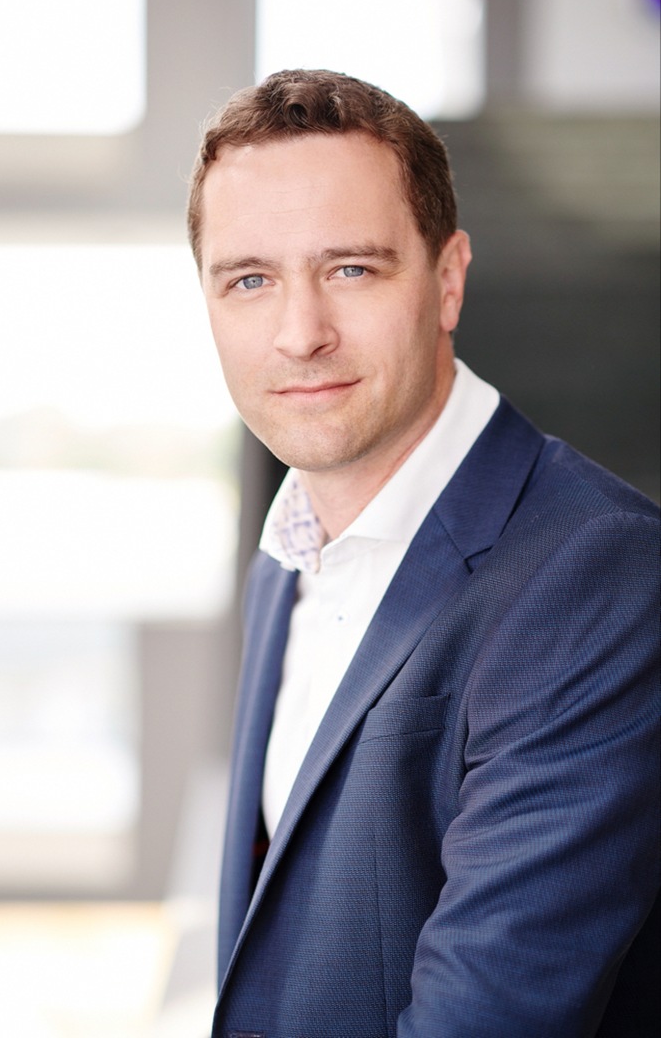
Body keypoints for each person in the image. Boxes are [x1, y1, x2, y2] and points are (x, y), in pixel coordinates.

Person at [187, 69, 659, 1037]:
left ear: (447, 281)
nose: (300, 334)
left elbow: (489, 1015)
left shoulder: (600, 574)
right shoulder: (286, 556)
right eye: (250, 280)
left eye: (351, 269)